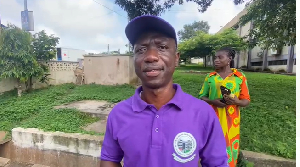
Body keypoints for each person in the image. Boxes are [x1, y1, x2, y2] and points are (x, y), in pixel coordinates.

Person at [100, 15, 228, 167]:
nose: (151, 57)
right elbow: (109, 160)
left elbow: (217, 164)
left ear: (176, 58)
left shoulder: (203, 114)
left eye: (162, 47)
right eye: (141, 49)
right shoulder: (118, 114)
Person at [199, 47, 250, 167]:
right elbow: (202, 96)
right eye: (215, 57)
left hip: (232, 121)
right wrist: (213, 101)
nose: (216, 60)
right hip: (212, 118)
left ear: (229, 59)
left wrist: (237, 101)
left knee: (230, 148)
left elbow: (246, 100)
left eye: (220, 57)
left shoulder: (239, 77)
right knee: (211, 147)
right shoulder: (210, 77)